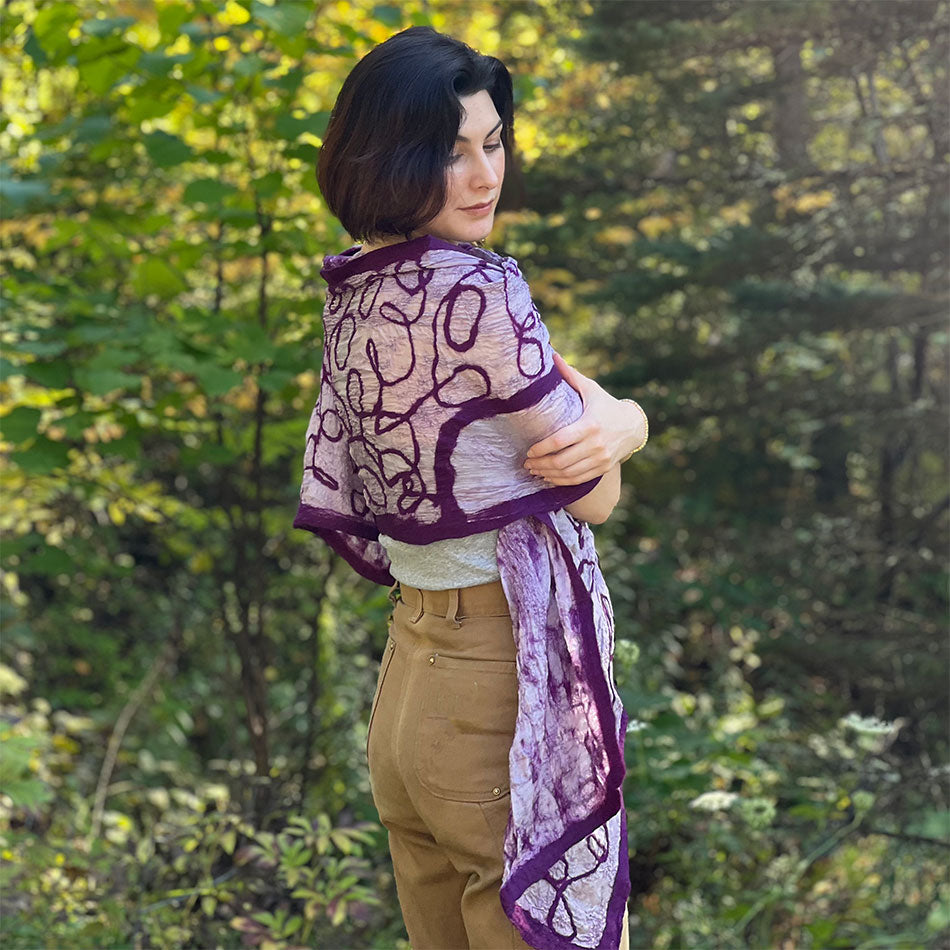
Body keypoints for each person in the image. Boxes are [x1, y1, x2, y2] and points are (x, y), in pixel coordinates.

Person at [294, 25, 647, 950]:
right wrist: (631, 420)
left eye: (492, 143)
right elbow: (594, 494)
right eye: (451, 153)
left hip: (410, 689)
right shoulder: (478, 295)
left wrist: (610, 423)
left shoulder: (358, 295)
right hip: (497, 683)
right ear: (392, 157)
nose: (484, 176)